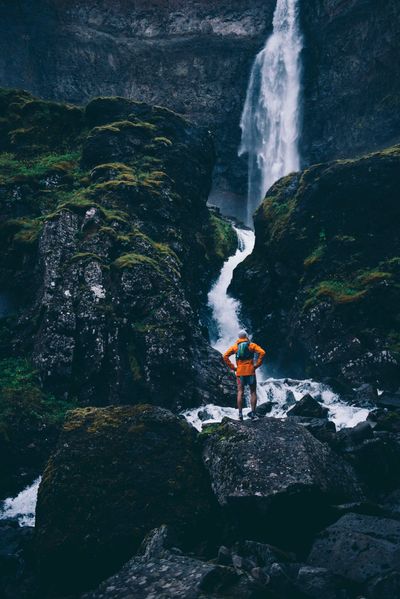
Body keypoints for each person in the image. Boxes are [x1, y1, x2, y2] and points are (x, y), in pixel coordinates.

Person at [223, 330, 266, 421]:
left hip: (240, 373)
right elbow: (262, 352)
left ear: (239, 337)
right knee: (253, 392)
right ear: (246, 336)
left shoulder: (235, 347)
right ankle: (253, 415)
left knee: (240, 392)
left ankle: (240, 415)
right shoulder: (252, 345)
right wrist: (257, 365)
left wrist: (233, 367)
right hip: (250, 371)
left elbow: (225, 356)